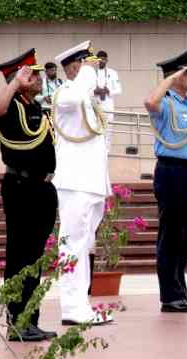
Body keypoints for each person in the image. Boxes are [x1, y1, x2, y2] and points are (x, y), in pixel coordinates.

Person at [0, 49, 58, 341]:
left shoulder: (34, 106)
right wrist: (16, 83)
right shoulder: (11, 105)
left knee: (35, 257)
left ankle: (30, 319)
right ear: (19, 78)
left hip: (42, 188)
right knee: (20, 256)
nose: (40, 77)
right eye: (33, 74)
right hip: (21, 188)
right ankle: (17, 321)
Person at [51, 40, 113, 326]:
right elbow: (72, 99)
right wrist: (87, 74)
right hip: (74, 183)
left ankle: (81, 306)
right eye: (86, 64)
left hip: (91, 183)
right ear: (74, 67)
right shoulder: (66, 93)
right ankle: (71, 309)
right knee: (72, 245)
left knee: (84, 245)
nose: (93, 69)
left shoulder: (87, 100)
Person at [143, 51, 187, 313]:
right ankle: (169, 296)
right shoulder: (166, 102)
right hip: (172, 172)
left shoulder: (186, 102)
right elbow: (149, 102)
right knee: (170, 237)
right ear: (175, 76)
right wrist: (169, 80)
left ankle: (180, 292)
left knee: (184, 236)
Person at [94, 50, 122, 149]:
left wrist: (108, 91)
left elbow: (119, 90)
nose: (102, 61)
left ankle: (106, 154)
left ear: (107, 60)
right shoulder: (91, 73)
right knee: (95, 131)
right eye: (100, 59)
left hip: (108, 105)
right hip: (94, 105)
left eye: (104, 59)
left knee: (108, 131)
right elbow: (86, 90)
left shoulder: (113, 73)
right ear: (96, 60)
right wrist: (94, 91)